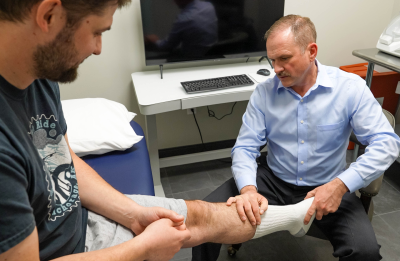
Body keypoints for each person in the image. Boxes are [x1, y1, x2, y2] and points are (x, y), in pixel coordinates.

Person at [0, 2, 317, 261]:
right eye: (97, 32)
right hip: (73, 251)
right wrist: (142, 248)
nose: (98, 49)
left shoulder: (39, 77)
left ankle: (291, 218)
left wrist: (134, 214)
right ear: (48, 15)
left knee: (210, 215)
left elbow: (62, 159)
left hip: (80, 219)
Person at [193, 15, 400, 261]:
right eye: (272, 60)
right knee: (204, 222)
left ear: (311, 51)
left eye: (284, 58)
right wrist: (248, 189)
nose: (276, 68)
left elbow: (387, 144)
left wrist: (340, 186)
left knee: (364, 252)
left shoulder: (349, 88)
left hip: (327, 185)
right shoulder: (264, 93)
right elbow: (245, 147)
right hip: (272, 180)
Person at [145, 0, 218, 59]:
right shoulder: (209, 6)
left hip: (192, 60)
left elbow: (167, 47)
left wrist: (153, 41)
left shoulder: (185, 19)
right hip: (214, 54)